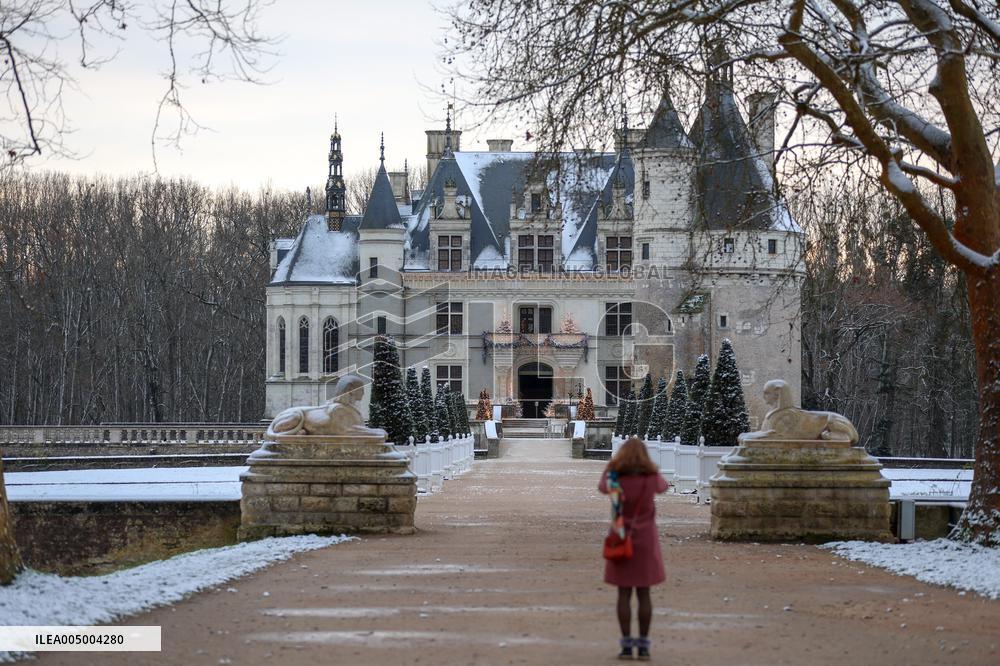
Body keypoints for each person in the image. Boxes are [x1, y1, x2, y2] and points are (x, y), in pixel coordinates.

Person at [598, 436, 669, 660]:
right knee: (644, 593)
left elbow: (602, 487)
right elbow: (664, 487)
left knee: (623, 593)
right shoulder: (650, 477)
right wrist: (650, 469)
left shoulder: (615, 476)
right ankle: (644, 646)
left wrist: (612, 465)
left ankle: (627, 645)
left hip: (620, 537)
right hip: (646, 540)